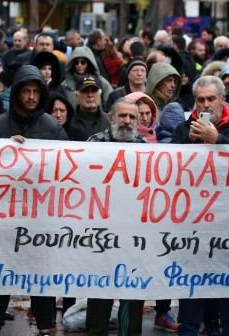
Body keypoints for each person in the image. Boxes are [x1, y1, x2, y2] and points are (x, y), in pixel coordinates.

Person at [0, 65, 67, 336]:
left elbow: (66, 169)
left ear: (43, 94)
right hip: (4, 216)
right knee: (0, 275)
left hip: (41, 217)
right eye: (26, 91)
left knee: (41, 276)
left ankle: (44, 327)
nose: (31, 97)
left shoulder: (53, 127)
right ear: (17, 93)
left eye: (36, 92)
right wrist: (3, 149)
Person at [172, 75, 229, 336]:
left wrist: (217, 139)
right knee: (192, 287)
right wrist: (192, 143)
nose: (206, 105)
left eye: (211, 99)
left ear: (223, 99)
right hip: (193, 221)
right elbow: (172, 171)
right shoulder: (183, 130)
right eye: (200, 100)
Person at [84, 97, 147, 336]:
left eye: (133, 117)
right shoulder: (94, 143)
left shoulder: (145, 146)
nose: (128, 121)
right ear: (110, 118)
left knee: (132, 290)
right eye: (123, 116)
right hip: (102, 231)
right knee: (100, 289)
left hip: (134, 232)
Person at [171, 35, 197, 108]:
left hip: (184, 100)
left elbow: (183, 80)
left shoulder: (178, 60)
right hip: (192, 98)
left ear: (175, 46)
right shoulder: (191, 58)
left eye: (171, 44)